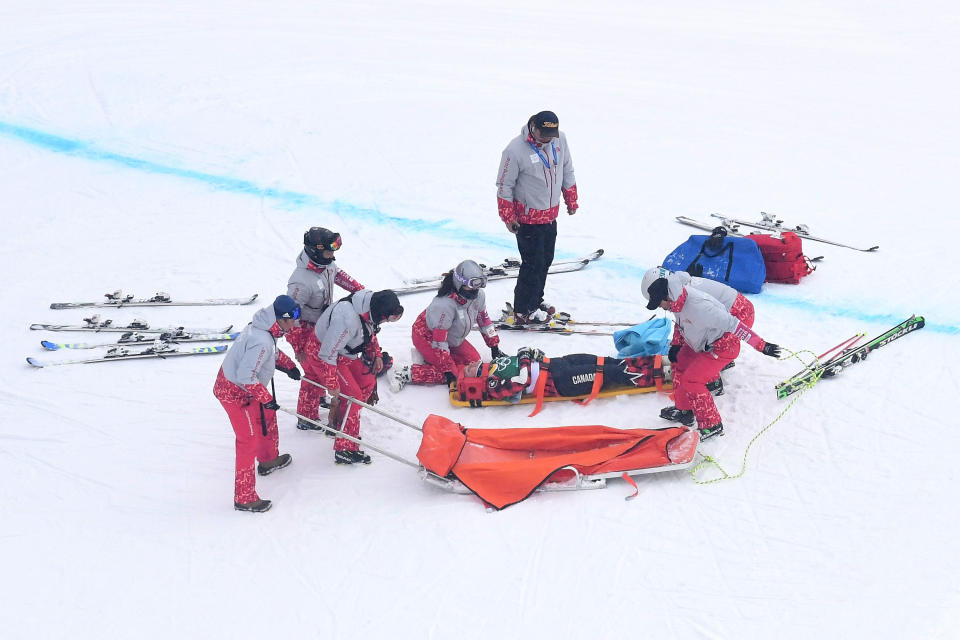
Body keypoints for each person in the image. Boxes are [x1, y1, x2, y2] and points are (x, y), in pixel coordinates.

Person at [642, 273, 781, 440]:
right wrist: (676, 345)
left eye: (659, 303)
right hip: (699, 341)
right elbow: (681, 325)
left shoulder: (701, 307)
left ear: (667, 297)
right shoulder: (677, 302)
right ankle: (685, 411)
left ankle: (712, 424)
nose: (660, 307)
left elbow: (734, 325)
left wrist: (762, 345)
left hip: (722, 347)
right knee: (678, 364)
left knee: (692, 380)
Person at [213, 295, 303, 513]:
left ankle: (268, 459)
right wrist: (266, 398)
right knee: (248, 440)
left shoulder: (265, 330)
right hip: (234, 393)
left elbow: (270, 352)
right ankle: (244, 498)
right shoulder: (261, 338)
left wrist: (288, 365)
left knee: (266, 418)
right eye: (293, 318)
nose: (295, 323)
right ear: (280, 319)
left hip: (247, 388)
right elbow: (246, 376)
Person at [496, 110, 578, 324]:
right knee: (532, 264)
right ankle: (523, 309)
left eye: (551, 135)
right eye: (543, 135)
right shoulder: (514, 150)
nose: (547, 139)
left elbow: (567, 168)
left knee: (546, 261)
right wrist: (508, 217)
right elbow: (504, 186)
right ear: (533, 127)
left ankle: (536, 300)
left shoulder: (560, 141)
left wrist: (571, 198)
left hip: (550, 215)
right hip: (527, 219)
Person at [286, 227, 365, 432]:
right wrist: (298, 347)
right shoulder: (300, 281)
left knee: (319, 369)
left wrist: (360, 290)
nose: (332, 255)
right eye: (328, 252)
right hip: (303, 329)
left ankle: (318, 398)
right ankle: (306, 417)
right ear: (315, 251)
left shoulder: (327, 265)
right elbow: (290, 316)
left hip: (321, 324)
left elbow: (340, 276)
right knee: (312, 372)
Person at [314, 289, 404, 464]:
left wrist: (376, 354)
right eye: (386, 318)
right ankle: (344, 448)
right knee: (354, 397)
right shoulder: (346, 319)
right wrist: (332, 383)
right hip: (324, 354)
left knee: (367, 382)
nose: (385, 322)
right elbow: (327, 353)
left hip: (344, 353)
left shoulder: (368, 310)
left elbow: (369, 333)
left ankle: (341, 426)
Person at [389, 260, 501, 392]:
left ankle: (429, 359)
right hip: (426, 336)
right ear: (460, 282)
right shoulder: (444, 305)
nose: (476, 288)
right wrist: (448, 370)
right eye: (473, 284)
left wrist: (494, 346)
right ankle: (403, 372)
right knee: (451, 373)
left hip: (452, 337)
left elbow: (484, 320)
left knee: (473, 362)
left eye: (480, 283)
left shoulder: (479, 297)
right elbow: (439, 341)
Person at [642, 266, 755, 397]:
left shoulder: (688, 296)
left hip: (740, 313)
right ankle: (719, 364)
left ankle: (713, 383)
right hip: (734, 309)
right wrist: (676, 344)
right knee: (697, 342)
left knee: (703, 345)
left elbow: (696, 331)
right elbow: (681, 322)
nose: (661, 307)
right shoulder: (676, 289)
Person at [459, 346, 671, 404]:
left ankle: (655, 362)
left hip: (557, 364)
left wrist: (529, 354)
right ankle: (661, 375)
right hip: (561, 381)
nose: (469, 364)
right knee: (608, 373)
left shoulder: (495, 365)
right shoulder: (493, 384)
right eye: (467, 369)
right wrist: (525, 359)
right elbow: (521, 382)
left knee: (605, 361)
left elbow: (526, 356)